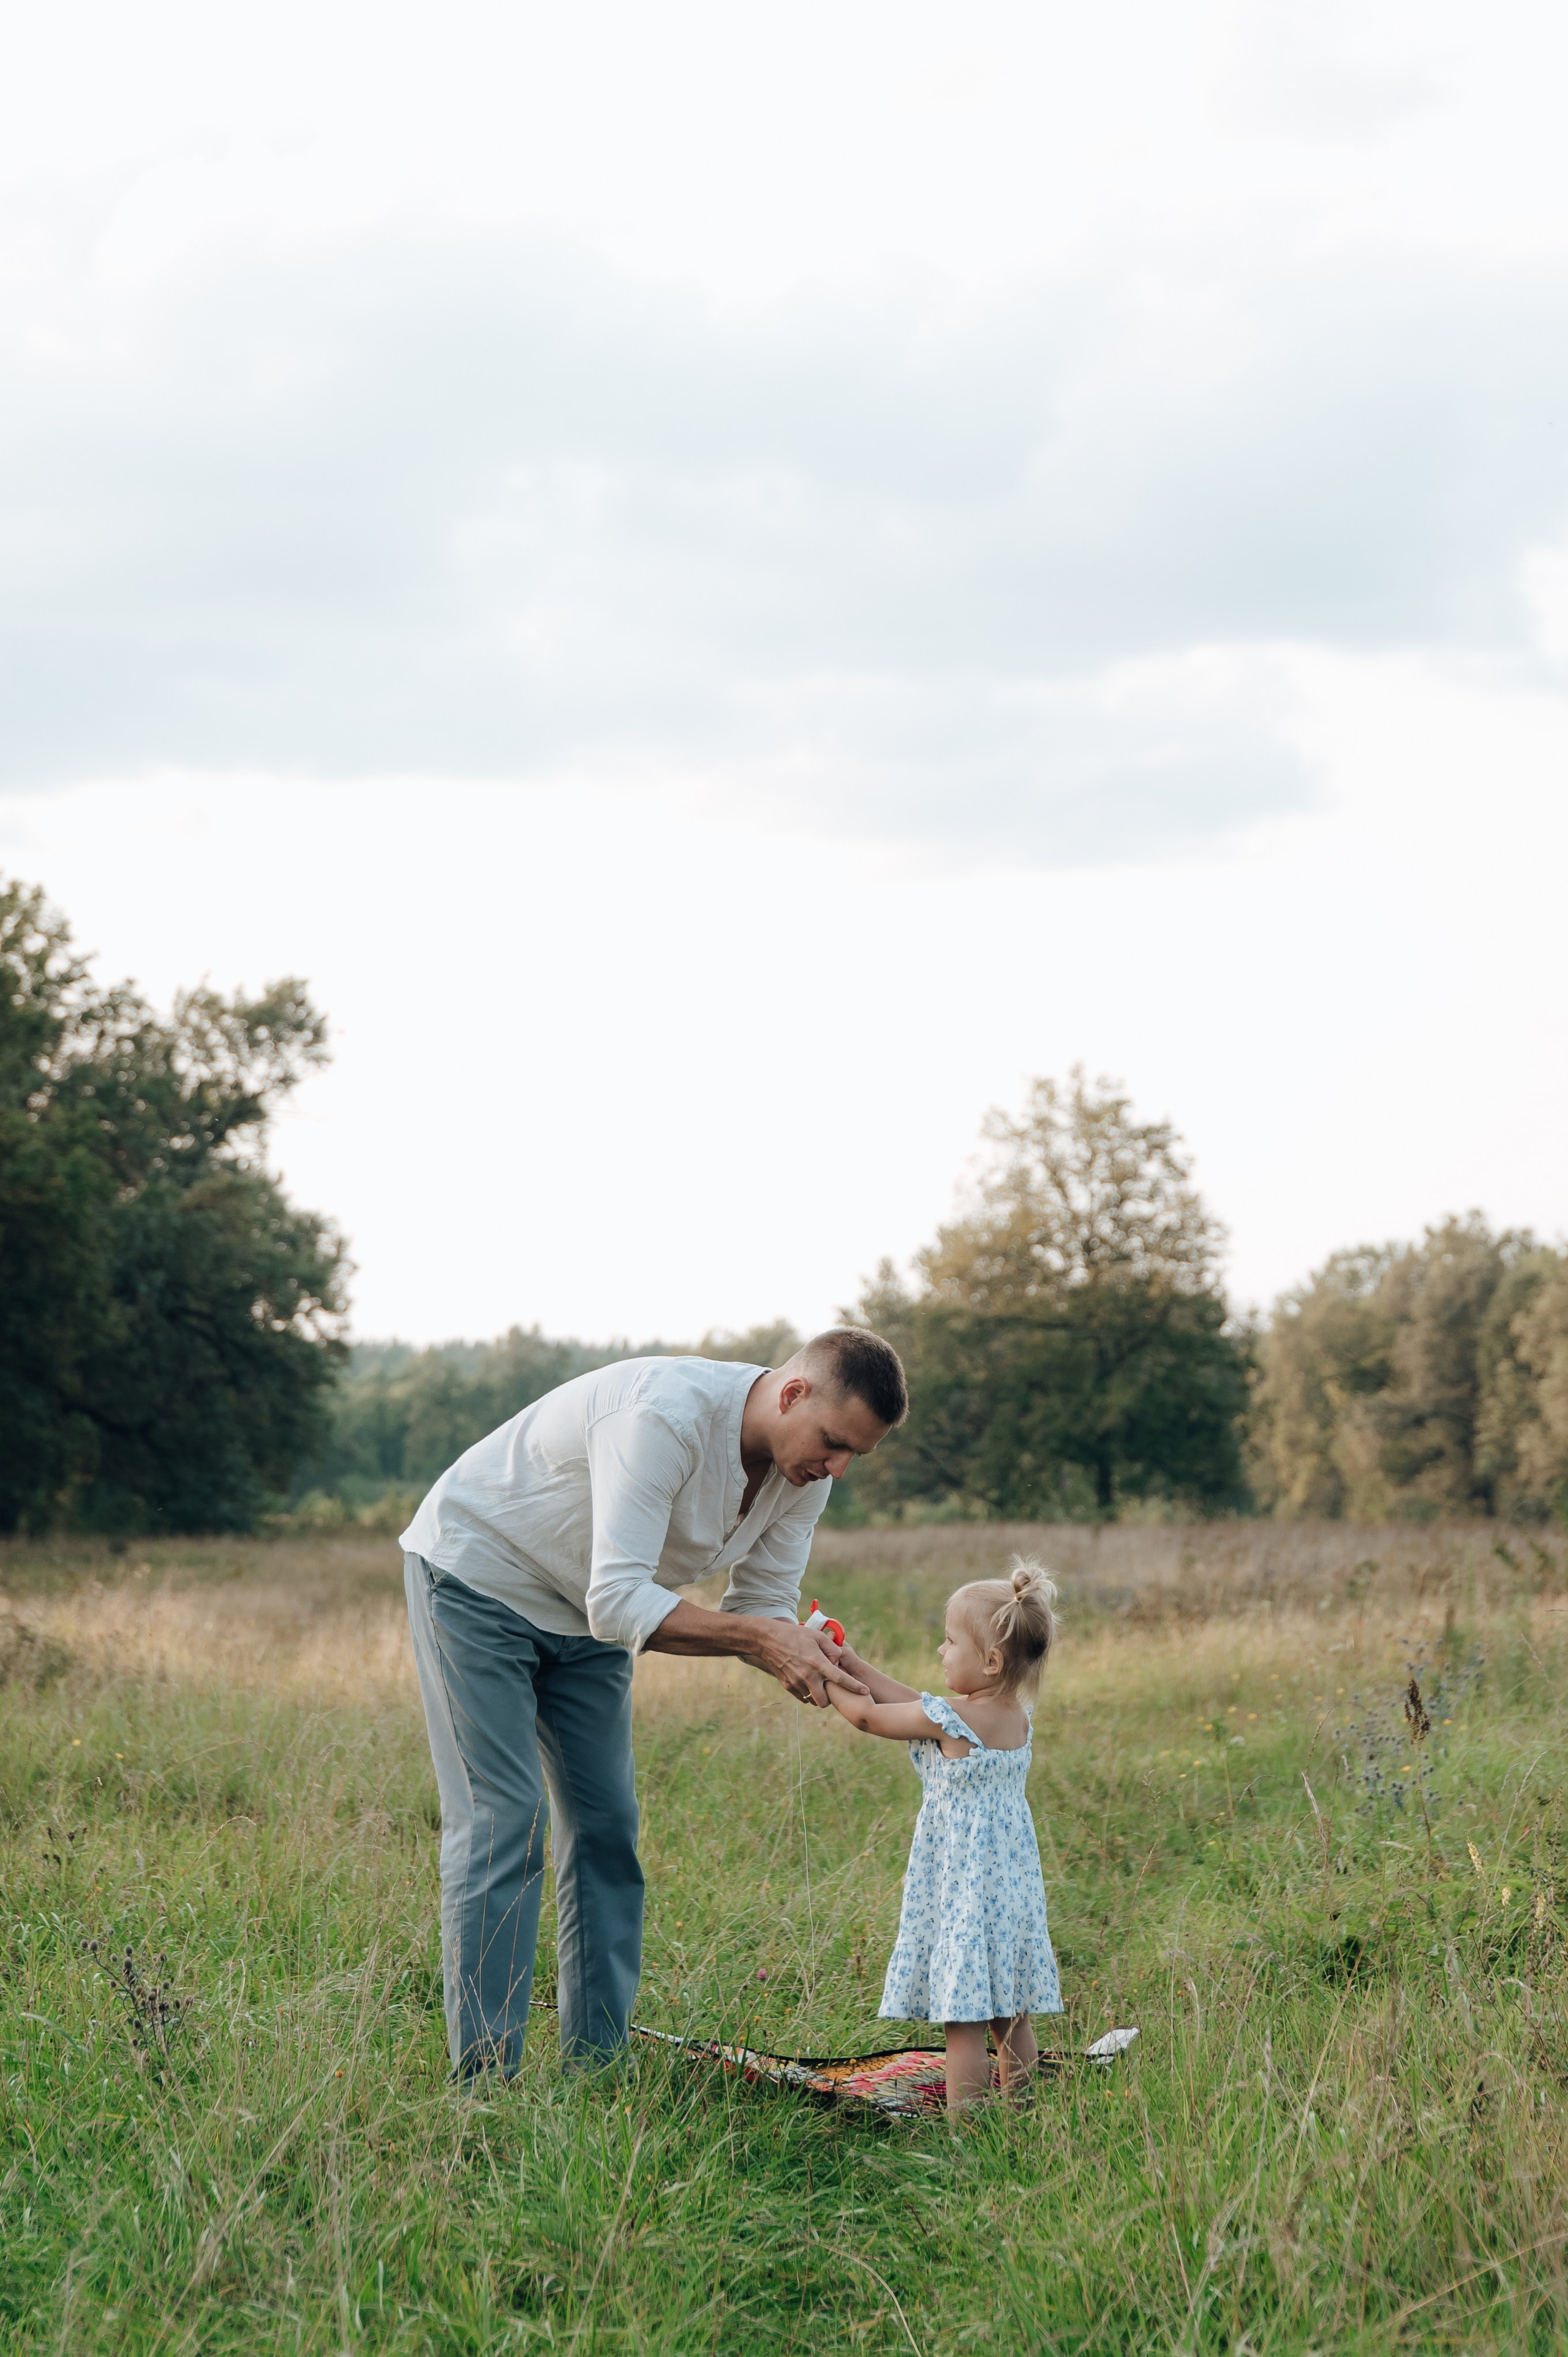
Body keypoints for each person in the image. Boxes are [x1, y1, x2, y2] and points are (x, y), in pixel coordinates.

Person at [399, 1329, 907, 2077]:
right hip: (480, 1578)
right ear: (792, 1392)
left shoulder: (804, 1479)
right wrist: (763, 1643)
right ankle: (483, 2084)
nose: (835, 1467)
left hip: (587, 1610)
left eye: (853, 1456)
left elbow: (763, 1605)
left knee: (606, 1826)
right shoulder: (665, 1416)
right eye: (832, 1442)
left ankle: (597, 2069)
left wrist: (818, 1660)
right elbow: (621, 1602)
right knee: (505, 1818)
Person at [826, 1559, 1061, 2114]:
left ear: (990, 1660)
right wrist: (852, 1661)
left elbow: (868, 1717)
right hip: (1011, 1892)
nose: (940, 1650)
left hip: (965, 1891)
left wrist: (828, 1679)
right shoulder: (1015, 1716)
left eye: (949, 1640)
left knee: (964, 2018)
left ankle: (969, 2130)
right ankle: (1025, 2112)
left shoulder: (952, 1717)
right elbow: (917, 1701)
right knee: (1012, 2010)